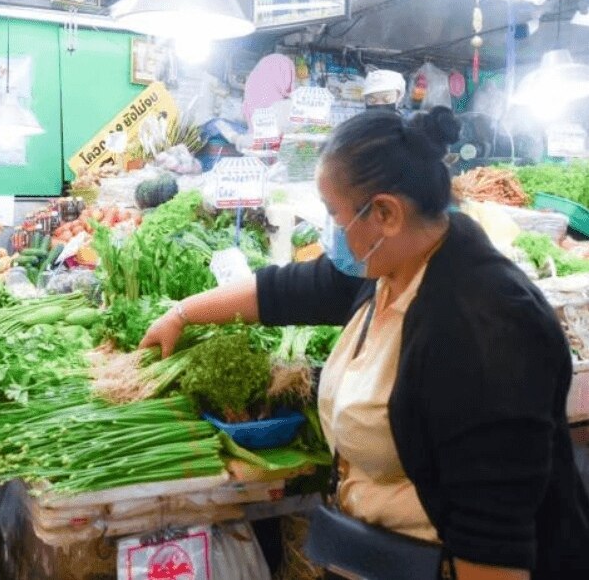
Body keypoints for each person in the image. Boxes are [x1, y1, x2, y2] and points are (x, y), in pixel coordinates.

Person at [140, 107, 589, 580]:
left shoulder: (486, 331)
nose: (330, 231)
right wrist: (181, 314)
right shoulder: (395, 265)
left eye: (334, 214)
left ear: (386, 213)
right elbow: (285, 291)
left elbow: (494, 550)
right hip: (381, 556)